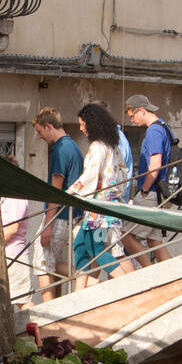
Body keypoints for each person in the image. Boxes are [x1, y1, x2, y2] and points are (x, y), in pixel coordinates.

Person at [67, 102, 136, 289]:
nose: (81, 128)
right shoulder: (114, 147)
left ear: (92, 123)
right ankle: (79, 293)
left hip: (99, 209)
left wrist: (70, 192)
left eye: (82, 124)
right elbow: (124, 173)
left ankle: (126, 286)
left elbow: (90, 174)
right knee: (80, 245)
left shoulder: (97, 147)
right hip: (109, 206)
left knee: (98, 250)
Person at [32, 107, 83, 299]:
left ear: (48, 126)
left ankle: (49, 306)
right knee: (53, 263)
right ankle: (84, 278)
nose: (39, 136)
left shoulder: (61, 149)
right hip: (71, 215)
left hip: (59, 216)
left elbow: (56, 189)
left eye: (39, 131)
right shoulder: (74, 146)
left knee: (41, 262)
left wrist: (47, 224)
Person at [120, 94, 173, 266]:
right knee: (153, 241)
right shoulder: (164, 126)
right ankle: (174, 276)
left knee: (126, 235)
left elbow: (155, 164)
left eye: (133, 116)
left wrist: (144, 190)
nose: (133, 120)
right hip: (160, 192)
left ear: (142, 111)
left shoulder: (154, 131)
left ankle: (149, 272)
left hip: (151, 192)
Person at [0, 155, 35, 308]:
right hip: (5, 254)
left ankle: (40, 331)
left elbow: (13, 229)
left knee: (22, 301)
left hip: (14, 254)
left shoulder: (15, 196)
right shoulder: (7, 195)